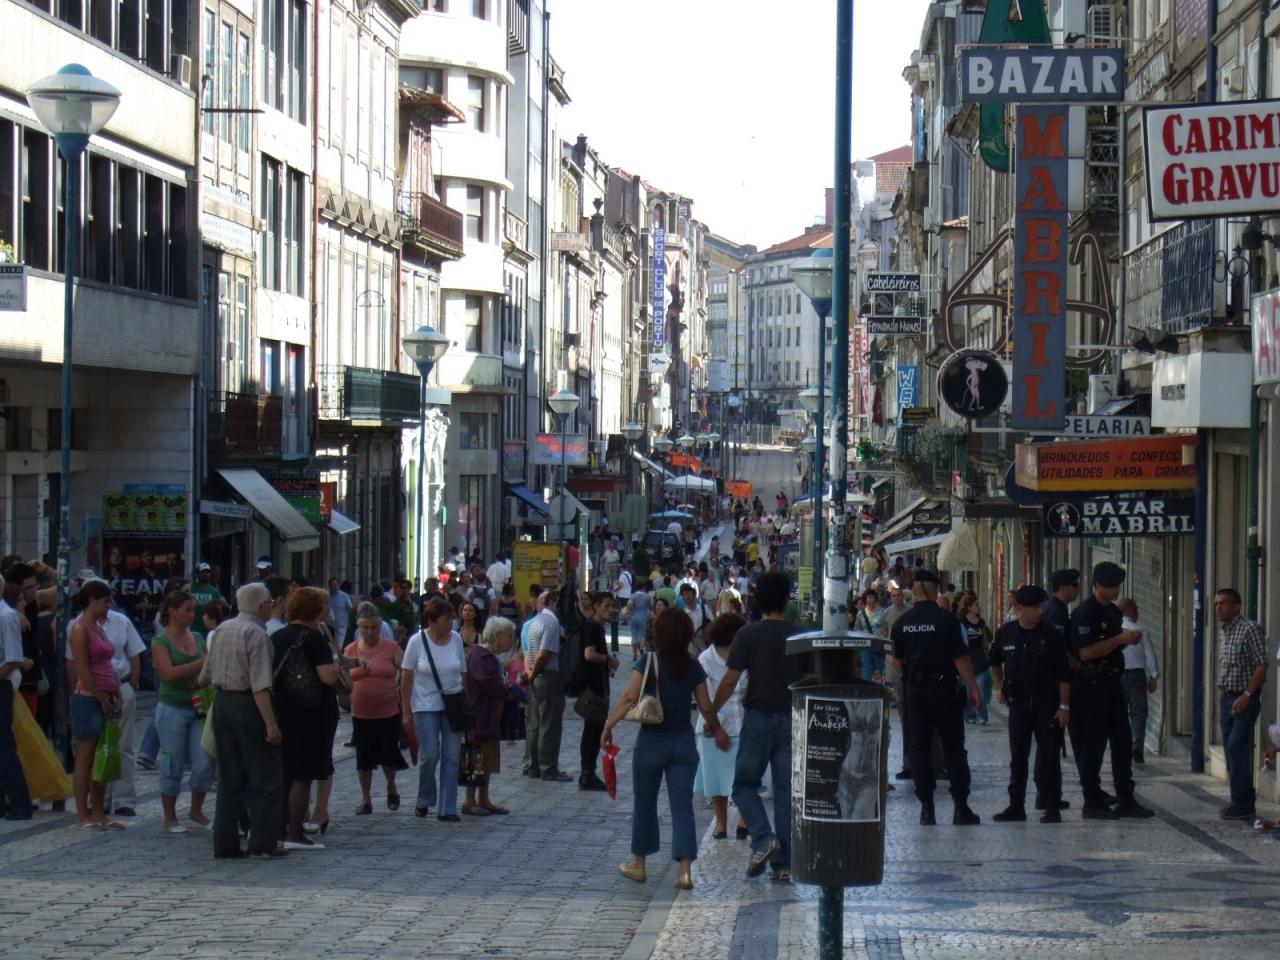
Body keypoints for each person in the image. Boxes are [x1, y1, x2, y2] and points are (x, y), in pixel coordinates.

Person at [603, 607, 731, 891]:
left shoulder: (648, 661)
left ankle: (639, 863)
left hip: (651, 741)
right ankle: (684, 871)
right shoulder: (692, 665)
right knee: (682, 806)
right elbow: (705, 706)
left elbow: (628, 697)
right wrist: (718, 729)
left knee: (645, 804)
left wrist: (609, 725)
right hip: (683, 742)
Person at [711, 572, 811, 883]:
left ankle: (763, 837)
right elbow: (810, 680)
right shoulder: (800, 636)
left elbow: (730, 680)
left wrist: (711, 713)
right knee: (785, 791)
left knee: (743, 785)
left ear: (758, 600)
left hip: (758, 718)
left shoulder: (748, 635)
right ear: (786, 599)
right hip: (791, 718)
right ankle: (783, 864)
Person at [197, 582, 285, 858]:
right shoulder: (257, 634)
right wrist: (271, 723)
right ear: (262, 606)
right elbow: (260, 684)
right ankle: (263, 842)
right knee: (265, 775)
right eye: (270, 603)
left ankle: (225, 843)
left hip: (223, 702)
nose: (272, 607)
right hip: (248, 703)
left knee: (229, 775)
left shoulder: (222, 629)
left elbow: (205, 674)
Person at [889, 570, 983, 827]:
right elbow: (960, 658)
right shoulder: (946, 620)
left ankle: (926, 808)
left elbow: (896, 662)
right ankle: (961, 807)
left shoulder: (903, 622)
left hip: (915, 691)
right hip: (943, 689)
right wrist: (973, 688)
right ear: (934, 589)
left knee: (919, 749)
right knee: (953, 748)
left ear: (915, 589)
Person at [1068, 562, 1155, 820]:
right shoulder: (1086, 613)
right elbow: (1085, 652)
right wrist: (1120, 640)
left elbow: (1113, 644)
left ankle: (1126, 798)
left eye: (1118, 585)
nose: (1117, 589)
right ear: (1098, 585)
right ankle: (1092, 801)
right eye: (1112, 585)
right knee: (1093, 745)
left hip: (1114, 683)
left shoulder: (1113, 612)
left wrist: (1127, 640)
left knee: (1122, 742)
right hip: (1093, 686)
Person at [988, 585, 1072, 824]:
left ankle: (1052, 806)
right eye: (1036, 607)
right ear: (1020, 608)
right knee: (1018, 757)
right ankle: (1016, 806)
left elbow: (1064, 674)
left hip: (1047, 703)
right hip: (1019, 703)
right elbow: (994, 661)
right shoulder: (1005, 633)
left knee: (1050, 757)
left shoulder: (1052, 635)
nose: (1040, 611)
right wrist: (999, 686)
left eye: (1042, 606)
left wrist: (1064, 707)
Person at [270, 586, 342, 850]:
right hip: (311, 712)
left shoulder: (278, 636)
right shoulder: (314, 638)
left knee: (285, 772)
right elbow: (328, 677)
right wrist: (336, 661)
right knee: (303, 774)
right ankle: (296, 833)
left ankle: (278, 829)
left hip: (282, 709)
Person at [150, 591, 213, 833]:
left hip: (198, 707)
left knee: (204, 761)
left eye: (193, 609)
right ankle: (170, 816)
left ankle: (196, 810)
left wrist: (202, 677)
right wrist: (201, 663)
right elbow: (168, 674)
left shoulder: (197, 637)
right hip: (172, 707)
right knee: (172, 761)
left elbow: (209, 667)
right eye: (187, 609)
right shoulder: (160, 641)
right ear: (172, 611)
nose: (192, 614)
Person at [402, 597, 468, 821]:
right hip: (425, 705)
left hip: (453, 704)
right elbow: (406, 677)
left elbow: (463, 673)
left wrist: (466, 703)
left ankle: (447, 808)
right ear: (431, 621)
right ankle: (425, 798)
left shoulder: (456, 639)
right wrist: (406, 711)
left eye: (451, 618)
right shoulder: (417, 641)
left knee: (452, 757)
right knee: (429, 755)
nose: (451, 623)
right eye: (446, 619)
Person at [66, 579, 122, 830]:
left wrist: (116, 692)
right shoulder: (80, 629)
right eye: (106, 601)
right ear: (92, 601)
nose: (109, 606)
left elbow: (107, 664)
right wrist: (101, 697)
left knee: (103, 756)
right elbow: (82, 668)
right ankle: (82, 813)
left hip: (106, 694)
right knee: (85, 757)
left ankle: (99, 811)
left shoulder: (98, 628)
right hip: (88, 698)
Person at [344, 607, 406, 815]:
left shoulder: (391, 647)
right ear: (359, 629)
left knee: (389, 754)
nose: (370, 632)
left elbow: (406, 670)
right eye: (365, 628)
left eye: (374, 627)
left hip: (388, 711)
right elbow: (341, 674)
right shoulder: (351, 650)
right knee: (364, 758)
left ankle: (391, 787)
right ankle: (366, 799)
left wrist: (403, 692)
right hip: (360, 712)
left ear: (380, 628)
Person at [1213, 587, 1268, 820]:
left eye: (1223, 603)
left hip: (1245, 698)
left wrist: (1246, 695)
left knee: (1237, 746)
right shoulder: (1224, 632)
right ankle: (1239, 801)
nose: (1218, 608)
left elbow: (1261, 665)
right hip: (1226, 698)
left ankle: (1244, 802)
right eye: (1216, 604)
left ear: (1236, 606)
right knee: (1230, 749)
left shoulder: (1249, 629)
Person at [697, 613, 749, 840]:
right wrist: (716, 727)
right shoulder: (705, 660)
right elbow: (704, 700)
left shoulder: (747, 657)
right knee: (716, 778)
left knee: (746, 776)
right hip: (714, 726)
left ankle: (744, 820)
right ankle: (721, 822)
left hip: (744, 723)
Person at [463, 616, 515, 816]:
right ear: (498, 636)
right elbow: (490, 684)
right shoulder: (481, 656)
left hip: (489, 714)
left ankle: (483, 798)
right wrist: (508, 689)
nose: (511, 640)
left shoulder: (489, 655)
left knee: (487, 756)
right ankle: (470, 801)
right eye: (509, 636)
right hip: (479, 713)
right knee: (476, 756)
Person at [523, 588, 572, 782]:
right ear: (553, 603)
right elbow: (545, 653)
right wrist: (534, 672)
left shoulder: (537, 621)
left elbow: (530, 651)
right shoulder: (551, 622)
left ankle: (533, 765)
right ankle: (548, 767)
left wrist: (531, 673)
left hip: (537, 674)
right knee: (549, 723)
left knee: (535, 723)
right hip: (547, 674)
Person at [0, 563, 35, 820]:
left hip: (1, 684)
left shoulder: (6, 616)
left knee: (4, 747)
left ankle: (21, 803)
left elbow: (12, 658)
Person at [579, 592, 618, 791]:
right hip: (593, 687)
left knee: (593, 730)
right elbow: (589, 654)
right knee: (592, 731)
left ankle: (588, 772)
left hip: (598, 684)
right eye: (606, 606)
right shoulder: (592, 626)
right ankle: (587, 774)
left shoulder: (597, 627)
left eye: (612, 606)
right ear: (596, 606)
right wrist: (608, 660)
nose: (610, 610)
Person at [1118, 598, 1159, 765]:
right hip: (1136, 676)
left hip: (1118, 676)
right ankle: (1137, 748)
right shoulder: (1140, 630)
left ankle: (1122, 748)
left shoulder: (1114, 630)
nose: (1138, 613)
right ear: (1129, 610)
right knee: (1139, 713)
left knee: (1119, 714)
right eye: (1136, 609)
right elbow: (1149, 655)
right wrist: (1154, 676)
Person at [957, 594, 992, 725]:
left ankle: (982, 714)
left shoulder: (980, 622)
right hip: (967, 658)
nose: (979, 607)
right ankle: (969, 714)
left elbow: (984, 641)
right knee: (968, 690)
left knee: (980, 688)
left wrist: (987, 654)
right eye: (976, 605)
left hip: (980, 659)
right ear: (969, 607)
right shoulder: (962, 622)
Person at [856, 589, 886, 684]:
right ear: (865, 599)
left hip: (879, 646)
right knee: (866, 672)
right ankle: (867, 690)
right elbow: (857, 630)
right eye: (869, 597)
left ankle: (879, 690)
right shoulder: (860, 614)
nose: (871, 599)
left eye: (873, 597)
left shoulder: (883, 612)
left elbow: (887, 628)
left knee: (879, 672)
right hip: (866, 647)